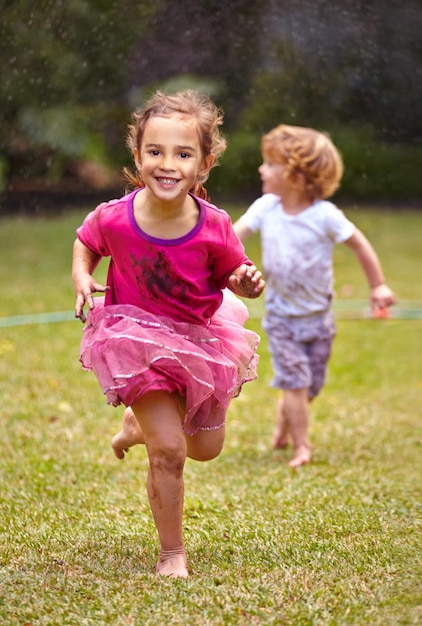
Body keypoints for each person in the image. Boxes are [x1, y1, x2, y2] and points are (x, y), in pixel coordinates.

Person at [72, 90, 265, 578]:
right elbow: (85, 241)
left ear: (203, 165)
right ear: (137, 157)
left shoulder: (213, 226)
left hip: (199, 341)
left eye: (183, 154)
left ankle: (140, 429)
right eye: (155, 152)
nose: (167, 164)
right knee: (172, 450)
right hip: (134, 339)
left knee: (204, 448)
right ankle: (171, 552)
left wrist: (245, 282)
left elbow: (235, 272)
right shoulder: (116, 216)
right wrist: (81, 277)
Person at [233, 124, 396, 469]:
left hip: (319, 319)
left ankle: (283, 427)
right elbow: (232, 239)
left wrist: (378, 285)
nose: (261, 169)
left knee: (309, 386)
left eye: (270, 164)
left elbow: (360, 245)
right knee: (295, 382)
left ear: (294, 174)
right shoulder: (266, 207)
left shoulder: (324, 216)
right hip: (281, 318)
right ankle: (301, 446)